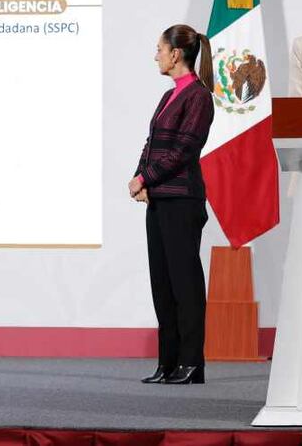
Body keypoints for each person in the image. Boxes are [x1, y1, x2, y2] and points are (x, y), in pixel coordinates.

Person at [128, 24, 215, 385]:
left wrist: (145, 178)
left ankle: (191, 363)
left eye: (160, 49)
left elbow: (184, 150)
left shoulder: (198, 96)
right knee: (162, 284)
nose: (156, 55)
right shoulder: (167, 97)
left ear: (176, 54)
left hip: (182, 200)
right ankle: (168, 363)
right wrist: (140, 177)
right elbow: (153, 143)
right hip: (160, 200)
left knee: (185, 284)